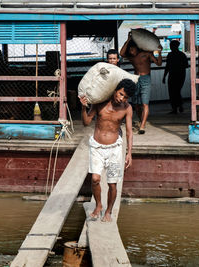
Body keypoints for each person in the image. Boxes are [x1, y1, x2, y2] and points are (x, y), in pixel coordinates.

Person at [79, 79, 136, 222]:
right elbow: (86, 122)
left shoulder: (127, 108)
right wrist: (83, 107)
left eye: (125, 97)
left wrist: (129, 153)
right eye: (121, 94)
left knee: (112, 184)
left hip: (114, 149)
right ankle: (98, 205)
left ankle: (108, 211)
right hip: (97, 147)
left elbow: (129, 132)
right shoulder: (100, 103)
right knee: (95, 179)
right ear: (115, 90)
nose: (121, 99)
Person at [120, 32, 162, 134]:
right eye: (130, 49)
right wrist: (128, 39)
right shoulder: (132, 57)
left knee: (144, 103)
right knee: (136, 105)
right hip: (136, 79)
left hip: (146, 79)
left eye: (132, 49)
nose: (131, 51)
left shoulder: (146, 54)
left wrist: (160, 52)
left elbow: (159, 63)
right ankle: (141, 120)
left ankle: (142, 126)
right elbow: (121, 53)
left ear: (137, 48)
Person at [162, 40, 189, 114]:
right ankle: (179, 106)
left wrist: (164, 76)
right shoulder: (182, 55)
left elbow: (167, 67)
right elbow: (186, 65)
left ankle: (176, 108)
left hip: (173, 75)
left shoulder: (170, 55)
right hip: (180, 75)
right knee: (177, 91)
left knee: (172, 92)